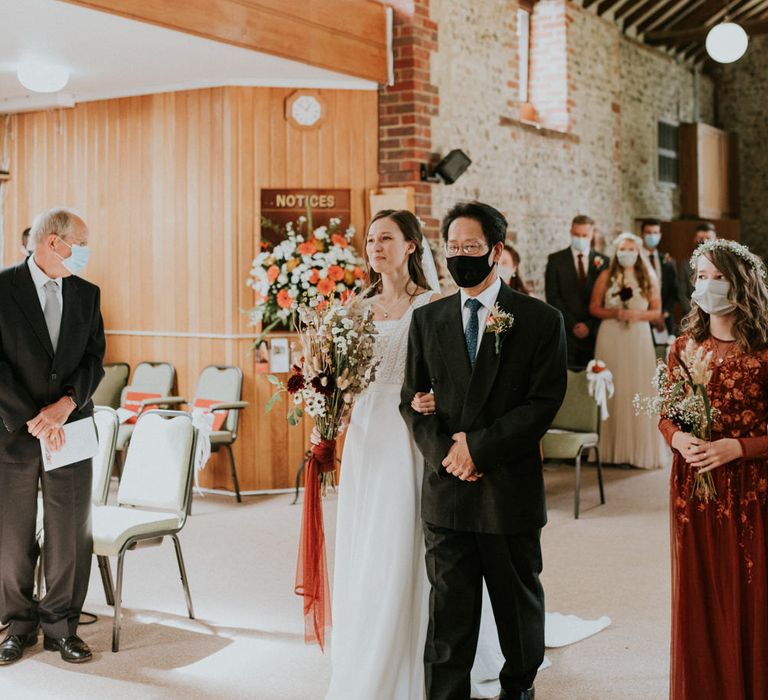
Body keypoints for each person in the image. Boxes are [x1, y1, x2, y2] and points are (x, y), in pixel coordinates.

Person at [400, 201, 567, 700]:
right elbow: (411, 402)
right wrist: (449, 456)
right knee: (448, 616)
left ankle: (519, 689)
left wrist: (478, 449)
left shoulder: (539, 319)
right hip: (447, 490)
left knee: (517, 610)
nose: (460, 257)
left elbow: (542, 403)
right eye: (452, 248)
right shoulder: (427, 320)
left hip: (506, 488)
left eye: (470, 247)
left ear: (496, 250)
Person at [324, 209, 438, 699]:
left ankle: (407, 647)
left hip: (407, 432)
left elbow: (447, 373)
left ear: (411, 245)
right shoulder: (354, 308)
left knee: (401, 530)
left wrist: (436, 398)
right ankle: (366, 640)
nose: (376, 247)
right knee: (365, 533)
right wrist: (328, 413)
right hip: (366, 432)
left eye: (386, 238)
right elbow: (342, 383)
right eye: (370, 239)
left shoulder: (434, 304)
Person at [659, 239, 768, 699]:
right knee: (703, 590)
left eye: (715, 276)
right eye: (700, 277)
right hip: (695, 486)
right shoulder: (684, 345)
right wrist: (678, 437)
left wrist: (738, 449)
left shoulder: (763, 348)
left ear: (739, 283)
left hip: (750, 486)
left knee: (750, 590)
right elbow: (667, 413)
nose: (705, 285)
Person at [0, 207, 105, 665]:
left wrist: (65, 407)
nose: (84, 252)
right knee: (11, 536)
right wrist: (34, 419)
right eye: (78, 243)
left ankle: (62, 626)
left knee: (70, 533)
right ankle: (17, 626)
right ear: (51, 242)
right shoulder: (2, 288)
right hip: (12, 432)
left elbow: (94, 358)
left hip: (71, 429)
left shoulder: (87, 293)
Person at [589, 232, 667, 469]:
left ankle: (638, 451)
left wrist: (638, 315)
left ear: (638, 251)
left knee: (637, 386)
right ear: (616, 251)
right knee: (614, 388)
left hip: (638, 335)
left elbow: (656, 311)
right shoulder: (606, 275)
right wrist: (616, 313)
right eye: (623, 249)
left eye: (631, 249)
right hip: (610, 335)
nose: (627, 253)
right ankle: (610, 451)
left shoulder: (648, 276)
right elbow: (594, 307)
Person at [545, 215, 609, 369]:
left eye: (584, 235)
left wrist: (589, 325)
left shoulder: (604, 261)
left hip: (595, 332)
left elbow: (607, 299)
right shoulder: (556, 260)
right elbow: (553, 297)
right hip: (567, 331)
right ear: (570, 232)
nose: (580, 238)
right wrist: (573, 324)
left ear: (592, 234)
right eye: (576, 235)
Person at [640, 218, 678, 338]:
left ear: (660, 235)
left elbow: (674, 291)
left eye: (655, 233)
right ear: (642, 235)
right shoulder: (636, 260)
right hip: (641, 318)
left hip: (664, 319)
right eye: (648, 233)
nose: (652, 236)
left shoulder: (668, 261)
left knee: (661, 355)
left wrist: (663, 313)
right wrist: (649, 315)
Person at [678, 221, 716, 315]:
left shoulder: (723, 263)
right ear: (695, 239)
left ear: (715, 239)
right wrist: (694, 313)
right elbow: (682, 293)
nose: (704, 241)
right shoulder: (685, 264)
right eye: (701, 238)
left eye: (708, 238)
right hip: (693, 314)